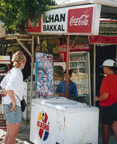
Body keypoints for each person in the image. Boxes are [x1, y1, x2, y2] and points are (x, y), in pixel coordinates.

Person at [0, 51, 26, 144]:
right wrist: (14, 101)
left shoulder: (11, 72)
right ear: (22, 62)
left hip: (7, 104)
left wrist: (7, 95)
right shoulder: (17, 73)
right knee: (12, 135)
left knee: (9, 134)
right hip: (13, 106)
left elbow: (2, 84)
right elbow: (9, 87)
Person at [94, 59, 117, 144]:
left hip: (107, 106)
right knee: (115, 126)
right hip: (116, 105)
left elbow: (105, 96)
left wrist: (97, 98)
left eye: (103, 68)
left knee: (105, 128)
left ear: (107, 68)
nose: (103, 69)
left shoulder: (106, 79)